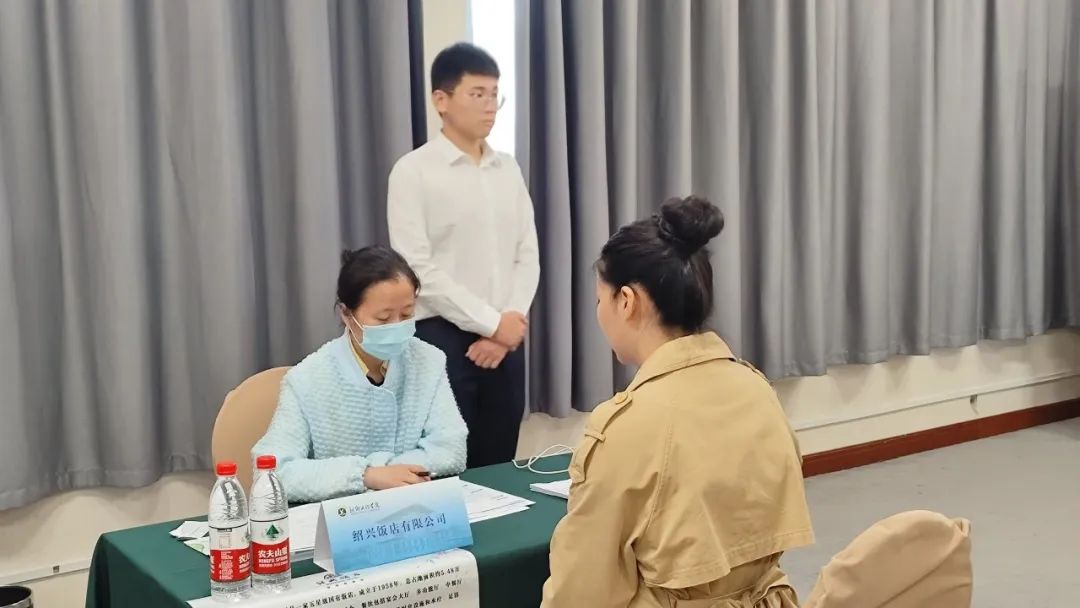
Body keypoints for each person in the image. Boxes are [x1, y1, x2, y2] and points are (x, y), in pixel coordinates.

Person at [541, 197, 815, 607]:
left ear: (627, 302)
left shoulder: (628, 425)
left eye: (600, 300)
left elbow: (582, 589)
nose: (599, 313)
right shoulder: (756, 388)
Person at [387, 42, 539, 468]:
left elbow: (527, 253)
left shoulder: (507, 168)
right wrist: (492, 324)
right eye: (477, 94)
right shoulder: (413, 171)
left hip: (507, 337)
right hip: (441, 337)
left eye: (495, 95)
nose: (490, 106)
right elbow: (417, 268)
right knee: (446, 466)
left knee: (500, 464)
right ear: (442, 100)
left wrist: (507, 324)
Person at [251, 246, 468, 503]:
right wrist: (366, 475)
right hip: (342, 516)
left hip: (412, 507)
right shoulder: (308, 379)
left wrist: (390, 472)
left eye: (407, 314)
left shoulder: (428, 361)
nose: (397, 326)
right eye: (383, 318)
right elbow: (273, 472)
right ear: (346, 314)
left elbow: (451, 448)